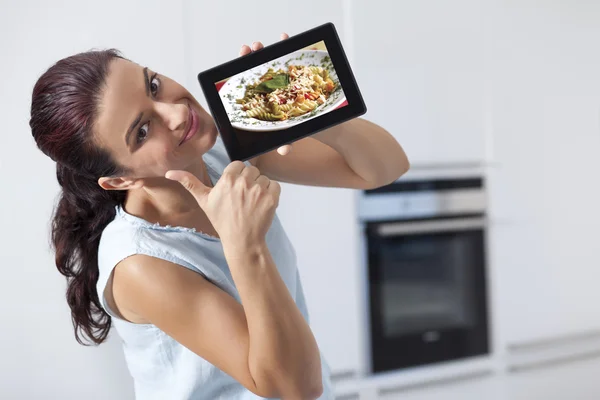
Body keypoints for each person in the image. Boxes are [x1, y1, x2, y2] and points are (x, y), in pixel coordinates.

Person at [29, 33, 410, 400]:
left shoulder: (216, 150)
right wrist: (244, 244)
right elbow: (295, 386)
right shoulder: (140, 265)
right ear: (119, 179)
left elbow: (383, 169)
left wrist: (314, 106)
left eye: (154, 86)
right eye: (143, 131)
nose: (177, 113)